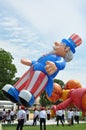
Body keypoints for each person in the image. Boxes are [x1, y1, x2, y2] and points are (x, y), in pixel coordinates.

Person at [2, 33, 82, 107]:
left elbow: (62, 64)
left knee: (36, 79)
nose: (57, 45)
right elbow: (38, 61)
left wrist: (55, 65)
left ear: (66, 49)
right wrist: (29, 62)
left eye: (61, 44)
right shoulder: (48, 55)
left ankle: (30, 97)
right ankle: (15, 92)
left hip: (43, 74)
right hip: (33, 69)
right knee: (26, 77)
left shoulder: (59, 58)